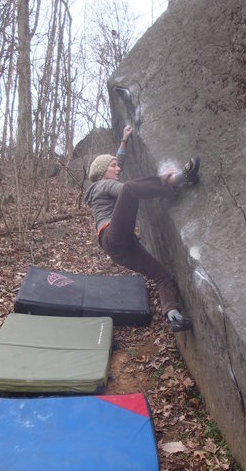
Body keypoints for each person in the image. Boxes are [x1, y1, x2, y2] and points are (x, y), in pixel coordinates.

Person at [85, 125, 200, 332]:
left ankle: (174, 316)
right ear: (103, 172)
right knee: (130, 188)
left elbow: (116, 165)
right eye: (113, 166)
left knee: (162, 275)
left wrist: (124, 140)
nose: (118, 168)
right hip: (113, 235)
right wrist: (165, 179)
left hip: (118, 246)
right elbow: (126, 191)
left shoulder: (102, 184)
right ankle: (180, 179)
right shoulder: (104, 185)